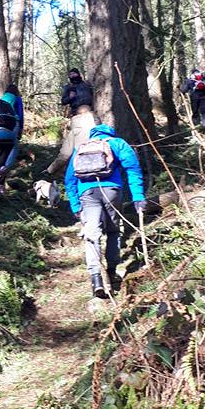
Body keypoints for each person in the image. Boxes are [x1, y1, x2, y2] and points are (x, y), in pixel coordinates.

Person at [64, 123, 147, 298]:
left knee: (92, 234)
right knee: (113, 232)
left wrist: (75, 205)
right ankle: (111, 272)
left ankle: (96, 278)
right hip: (112, 191)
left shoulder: (81, 147)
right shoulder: (117, 143)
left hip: (87, 193)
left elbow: (70, 178)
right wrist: (138, 197)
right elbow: (133, 169)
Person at [46, 103, 99, 178]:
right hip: (105, 172)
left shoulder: (75, 132)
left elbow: (64, 155)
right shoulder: (103, 130)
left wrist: (50, 170)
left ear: (77, 116)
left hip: (82, 172)